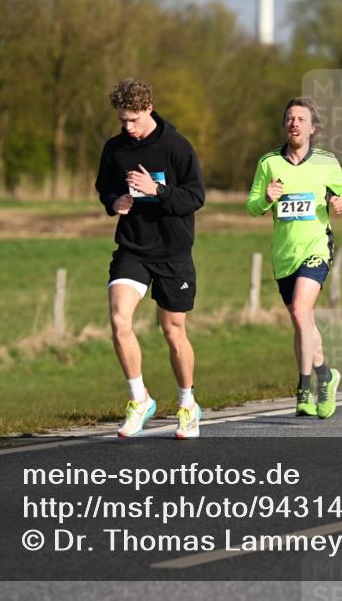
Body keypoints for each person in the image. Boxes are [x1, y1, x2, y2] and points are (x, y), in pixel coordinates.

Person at [95, 78, 205, 439]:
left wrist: (156, 189)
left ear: (148, 109)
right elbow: (104, 187)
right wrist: (115, 201)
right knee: (118, 318)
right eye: (122, 120)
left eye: (132, 120)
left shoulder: (176, 146)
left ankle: (188, 404)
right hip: (133, 248)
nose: (127, 127)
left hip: (173, 251)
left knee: (173, 331)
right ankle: (138, 398)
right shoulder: (115, 149)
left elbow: (195, 198)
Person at [247, 97, 342, 419]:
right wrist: (265, 198)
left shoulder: (325, 162)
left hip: (316, 248)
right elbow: (252, 205)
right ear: (285, 125)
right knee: (303, 321)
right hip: (284, 255)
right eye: (290, 119)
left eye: (301, 119)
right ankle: (326, 377)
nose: (294, 123)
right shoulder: (269, 163)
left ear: (313, 128)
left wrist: (341, 202)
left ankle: (304, 387)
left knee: (300, 312)